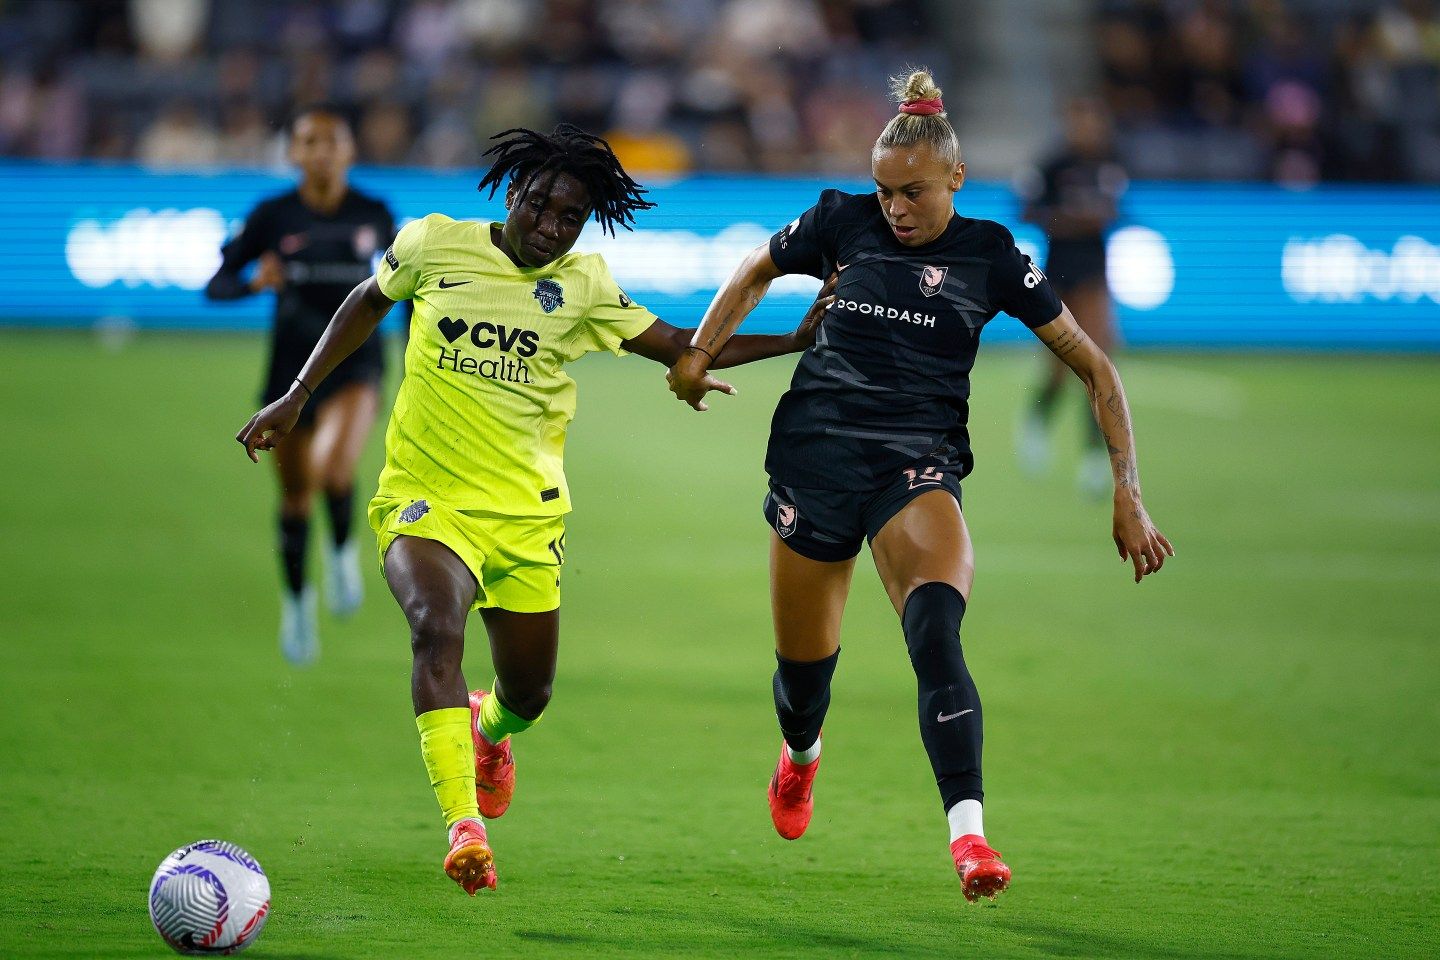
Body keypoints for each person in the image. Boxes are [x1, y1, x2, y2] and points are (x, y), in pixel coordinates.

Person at [235, 125, 830, 896]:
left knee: (528, 695)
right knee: (434, 627)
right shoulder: (434, 244)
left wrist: (792, 340)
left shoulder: (583, 286)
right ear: (512, 192)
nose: (551, 226)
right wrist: (297, 394)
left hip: (525, 518)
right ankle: (464, 830)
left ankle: (491, 730)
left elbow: (684, 344)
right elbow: (366, 301)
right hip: (426, 499)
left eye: (570, 217)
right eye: (541, 205)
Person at [667, 70, 1173, 902]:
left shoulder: (991, 256)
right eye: (885, 192)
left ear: (956, 178)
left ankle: (969, 838)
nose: (896, 209)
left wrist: (1130, 490)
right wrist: (697, 351)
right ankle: (801, 756)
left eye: (913, 193)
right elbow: (755, 269)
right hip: (815, 459)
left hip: (916, 465)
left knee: (936, 634)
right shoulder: (840, 222)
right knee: (803, 686)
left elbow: (1095, 365)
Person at [206, 104, 395, 664]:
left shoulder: (375, 213)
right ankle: (297, 604)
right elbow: (216, 284)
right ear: (293, 152)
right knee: (294, 496)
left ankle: (340, 552)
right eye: (310, 141)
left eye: (332, 141)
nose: (322, 152)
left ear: (350, 151)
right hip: (288, 369)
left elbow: (406, 286)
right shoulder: (272, 215)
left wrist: (418, 343)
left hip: (355, 365)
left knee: (332, 469)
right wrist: (251, 284)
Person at [1015, 97, 1129, 498]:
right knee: (1060, 369)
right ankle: (1037, 421)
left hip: (1094, 275)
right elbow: (1026, 212)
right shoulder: (1052, 165)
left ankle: (1095, 458)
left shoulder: (1110, 163)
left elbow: (1114, 211)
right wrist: (1069, 219)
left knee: (1099, 365)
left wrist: (1088, 217)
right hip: (1060, 275)